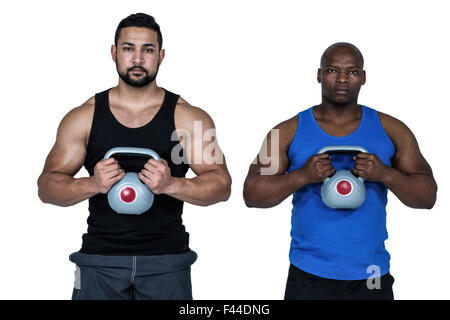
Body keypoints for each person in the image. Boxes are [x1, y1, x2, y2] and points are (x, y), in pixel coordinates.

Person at [37, 13, 232, 300]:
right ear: (114, 53)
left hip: (166, 261)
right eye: (128, 48)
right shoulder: (83, 117)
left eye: (148, 50)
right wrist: (93, 184)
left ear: (161, 56)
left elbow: (222, 185)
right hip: (100, 260)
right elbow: (46, 187)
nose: (138, 58)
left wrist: (171, 185)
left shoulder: (190, 119)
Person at [243, 42, 437, 300]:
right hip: (309, 274)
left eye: (353, 71)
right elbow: (252, 195)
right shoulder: (286, 131)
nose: (343, 78)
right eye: (333, 70)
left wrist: (385, 174)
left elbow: (428, 197)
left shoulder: (393, 130)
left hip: (371, 274)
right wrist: (303, 176)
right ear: (319, 75)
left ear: (364, 77)